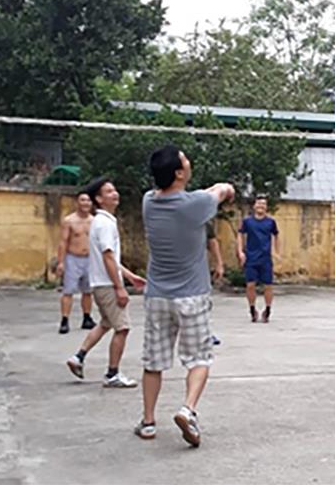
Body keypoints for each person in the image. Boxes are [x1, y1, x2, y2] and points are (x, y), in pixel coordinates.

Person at [136, 145, 234, 446]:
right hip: (192, 296)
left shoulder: (149, 202)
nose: (188, 162)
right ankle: (188, 409)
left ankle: (149, 422)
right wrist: (227, 188)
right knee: (199, 359)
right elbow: (221, 190)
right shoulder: (197, 205)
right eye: (185, 159)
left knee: (153, 362)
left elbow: (195, 195)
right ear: (179, 172)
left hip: (157, 297)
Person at [66, 178, 145, 388]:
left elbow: (111, 258)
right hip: (107, 285)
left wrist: (129, 276)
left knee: (106, 323)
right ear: (99, 199)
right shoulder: (104, 223)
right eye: (109, 191)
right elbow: (108, 257)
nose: (115, 193)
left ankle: (78, 357)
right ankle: (112, 374)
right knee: (123, 328)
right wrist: (119, 287)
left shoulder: (102, 222)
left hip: (101, 283)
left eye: (114, 189)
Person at [55, 191, 96, 334]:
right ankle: (65, 320)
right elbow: (63, 242)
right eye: (82, 200)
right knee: (68, 291)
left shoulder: (94, 221)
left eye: (88, 200)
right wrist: (61, 262)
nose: (86, 203)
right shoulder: (69, 221)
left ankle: (87, 318)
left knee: (88, 291)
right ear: (77, 203)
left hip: (89, 259)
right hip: (73, 258)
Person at [237, 195, 281, 323]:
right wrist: (240, 252)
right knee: (250, 285)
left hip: (265, 258)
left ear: (266, 207)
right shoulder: (248, 222)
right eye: (258, 204)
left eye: (263, 204)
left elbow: (277, 236)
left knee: (268, 285)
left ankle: (267, 310)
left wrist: (277, 252)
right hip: (251, 258)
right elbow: (240, 234)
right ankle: (252, 309)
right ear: (254, 206)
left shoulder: (270, 222)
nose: (261, 206)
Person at [206, 219, 224, 345]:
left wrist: (219, 263)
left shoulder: (202, 220)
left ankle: (205, 333)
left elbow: (212, 241)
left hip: (197, 269)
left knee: (204, 301)